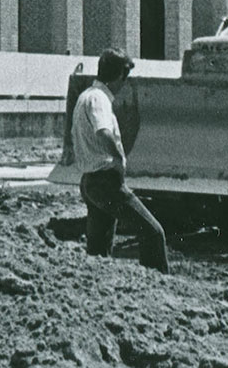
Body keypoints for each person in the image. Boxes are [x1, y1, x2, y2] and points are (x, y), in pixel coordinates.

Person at [71, 48, 169, 273]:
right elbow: (103, 132)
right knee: (153, 233)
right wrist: (118, 159)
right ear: (120, 76)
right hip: (106, 182)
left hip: (90, 182)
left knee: (98, 251)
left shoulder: (85, 96)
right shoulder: (99, 99)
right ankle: (159, 288)